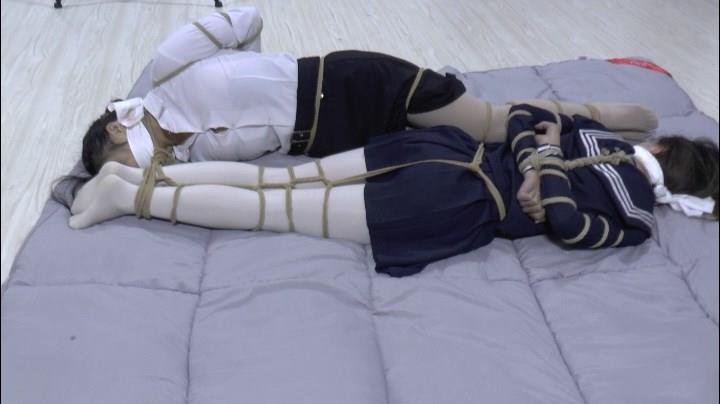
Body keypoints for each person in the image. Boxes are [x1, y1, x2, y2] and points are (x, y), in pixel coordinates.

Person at [69, 104, 719, 277]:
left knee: (281, 181)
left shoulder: (597, 138)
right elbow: (570, 225)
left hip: (445, 156)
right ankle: (129, 193)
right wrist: (542, 174)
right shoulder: (636, 215)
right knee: (276, 206)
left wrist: (538, 156)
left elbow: (525, 117)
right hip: (450, 201)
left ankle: (137, 177)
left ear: (664, 149)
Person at [78, 6, 658, 180]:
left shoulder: (168, 68)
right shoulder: (185, 158)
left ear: (114, 127)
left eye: (123, 161)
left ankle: (611, 116)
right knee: (476, 153)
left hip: (348, 82)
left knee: (487, 122)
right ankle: (588, 148)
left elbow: (246, 16)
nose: (137, 168)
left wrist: (250, 67)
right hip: (333, 139)